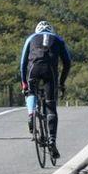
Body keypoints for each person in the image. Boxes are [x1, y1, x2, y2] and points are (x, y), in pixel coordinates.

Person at [20, 21, 72, 160]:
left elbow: (23, 63)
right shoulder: (58, 39)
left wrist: (24, 82)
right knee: (50, 106)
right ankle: (52, 140)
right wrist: (61, 82)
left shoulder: (31, 38)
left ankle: (31, 114)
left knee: (31, 93)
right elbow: (67, 63)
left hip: (33, 69)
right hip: (50, 72)